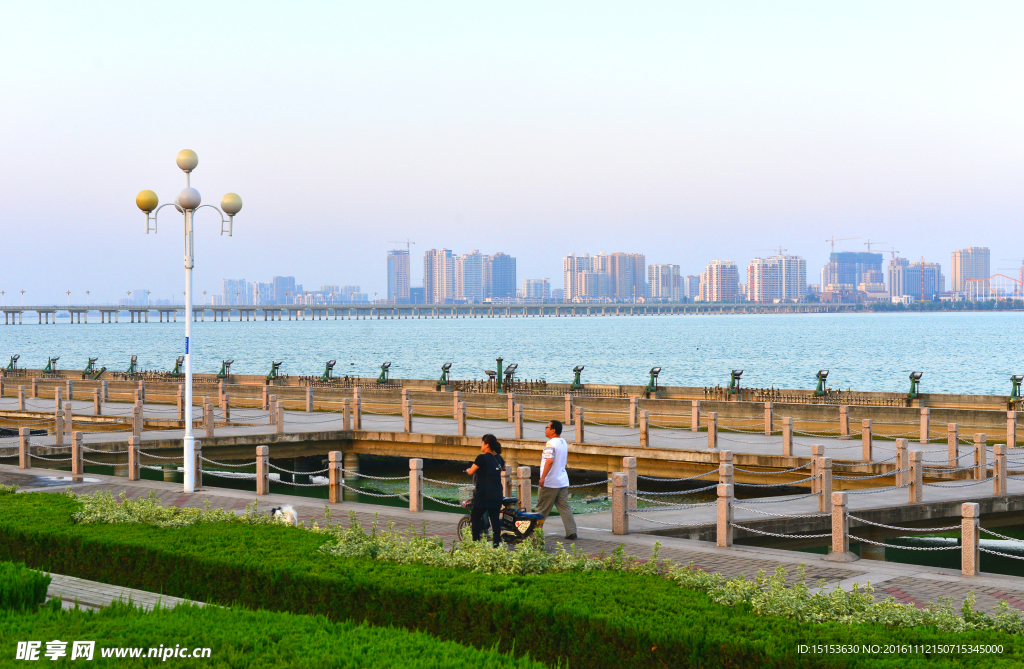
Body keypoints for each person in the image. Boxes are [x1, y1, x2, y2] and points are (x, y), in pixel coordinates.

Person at [535, 420, 577, 540]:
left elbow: (549, 461)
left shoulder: (550, 443)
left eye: (546, 427)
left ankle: (536, 535)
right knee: (564, 507)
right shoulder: (563, 442)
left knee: (541, 509)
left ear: (553, 430)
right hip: (562, 480)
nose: (545, 429)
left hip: (550, 482)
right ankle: (571, 532)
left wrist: (543, 478)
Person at [465, 433, 505, 547]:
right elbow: (503, 467)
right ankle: (496, 545)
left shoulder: (481, 458)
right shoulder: (498, 458)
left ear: (486, 445)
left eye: (482, 443)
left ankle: (475, 543)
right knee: (495, 520)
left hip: (484, 494)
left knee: (476, 517)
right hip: (497, 494)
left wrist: (468, 470)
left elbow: (471, 471)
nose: (481, 445)